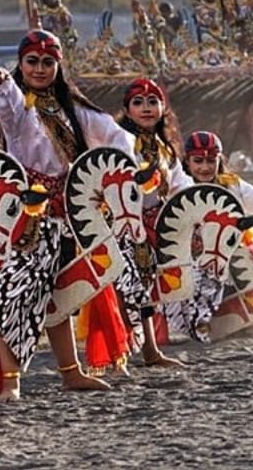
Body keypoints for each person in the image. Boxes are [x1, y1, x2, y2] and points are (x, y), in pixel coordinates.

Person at [0, 29, 129, 397]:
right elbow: (8, 107)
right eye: (32, 61)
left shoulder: (74, 110)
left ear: (59, 65)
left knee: (58, 294)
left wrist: (113, 178)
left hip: (67, 215)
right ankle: (10, 382)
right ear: (21, 64)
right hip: (25, 215)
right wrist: (1, 84)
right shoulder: (20, 109)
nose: (40, 69)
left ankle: (71, 372)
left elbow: (116, 138)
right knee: (12, 292)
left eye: (48, 62)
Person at [98, 78, 188, 373]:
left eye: (152, 102)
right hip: (121, 224)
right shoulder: (119, 141)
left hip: (151, 228)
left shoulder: (165, 149)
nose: (146, 108)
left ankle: (149, 349)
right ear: (126, 109)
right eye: (138, 102)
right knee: (126, 289)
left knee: (144, 289)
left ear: (163, 108)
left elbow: (178, 185)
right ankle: (123, 350)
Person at [163, 130, 253, 344]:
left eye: (211, 160)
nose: (205, 167)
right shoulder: (176, 186)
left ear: (220, 160)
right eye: (198, 161)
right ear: (187, 161)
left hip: (229, 261)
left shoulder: (233, 185)